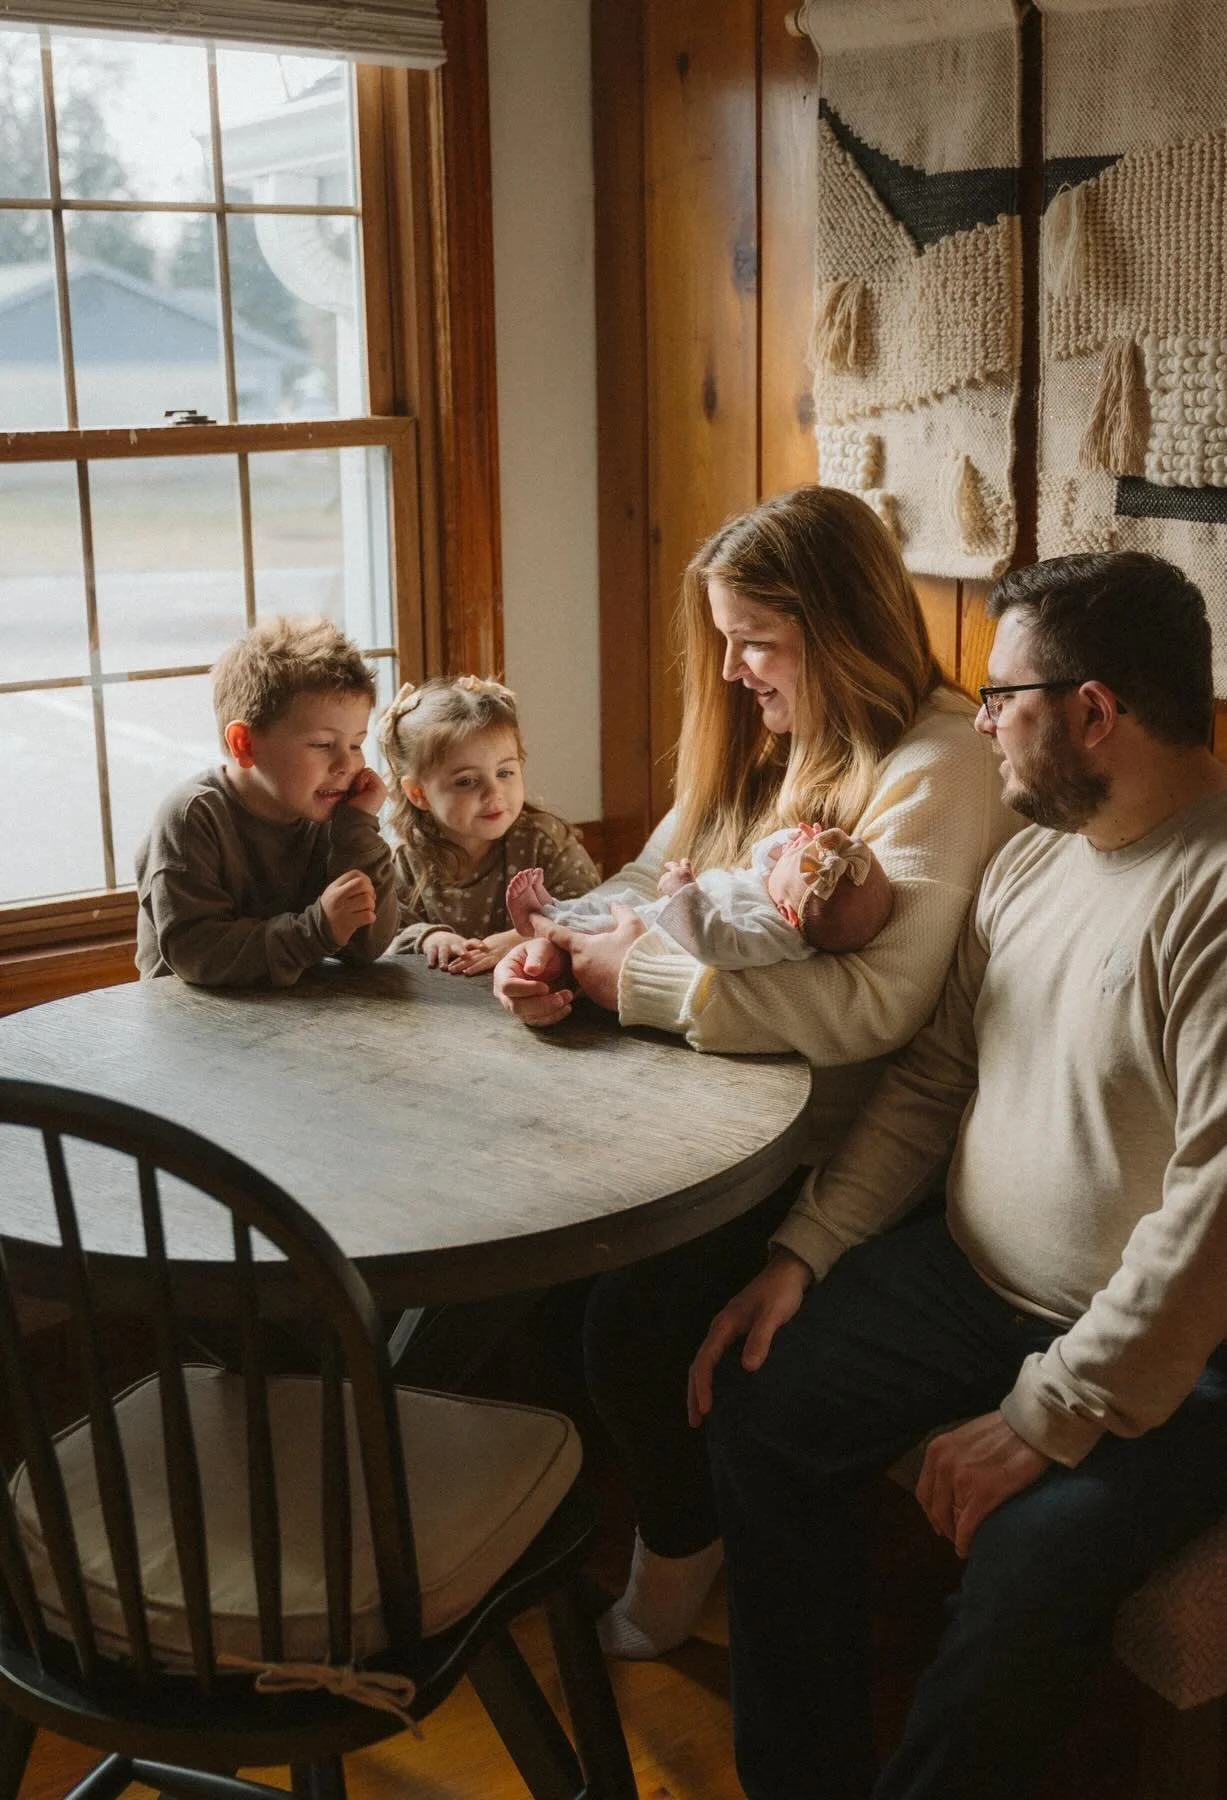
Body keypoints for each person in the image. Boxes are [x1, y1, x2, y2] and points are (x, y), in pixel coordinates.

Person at [689, 550, 1227, 1800]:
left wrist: (1048, 1411)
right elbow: (932, 1083)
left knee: (1027, 1556)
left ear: (1092, 712)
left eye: (1003, 693)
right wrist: (807, 1250)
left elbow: (1226, 1218)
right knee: (761, 1399)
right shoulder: (1033, 858)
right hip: (983, 1285)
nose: (982, 721)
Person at [491, 485, 1014, 1658]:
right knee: (532, 1264)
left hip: (826, 1149)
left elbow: (881, 1007)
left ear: (840, 632)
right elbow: (645, 878)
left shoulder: (937, 764)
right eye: (725, 641)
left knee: (628, 1319)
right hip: (690, 1111)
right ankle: (525, 1536)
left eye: (757, 644)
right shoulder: (761, 739)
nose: (732, 671)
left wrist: (642, 985)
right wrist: (554, 944)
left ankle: (681, 1552)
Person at [135, 615, 397, 987]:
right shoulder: (192, 816)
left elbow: (365, 947)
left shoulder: (331, 814)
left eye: (356, 744)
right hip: (194, 1027)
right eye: (323, 744)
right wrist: (315, 930)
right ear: (245, 744)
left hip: (293, 1023)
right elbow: (198, 953)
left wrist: (357, 829)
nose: (348, 764)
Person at [379, 675, 598, 973]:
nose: (493, 793)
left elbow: (592, 912)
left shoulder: (543, 841)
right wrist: (430, 937)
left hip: (541, 983)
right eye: (467, 781)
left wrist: (520, 938)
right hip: (446, 1006)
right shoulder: (405, 860)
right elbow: (386, 933)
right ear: (419, 794)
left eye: (505, 773)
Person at [506, 823, 894, 969]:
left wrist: (684, 892)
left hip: (654, 935)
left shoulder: (769, 934)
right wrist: (789, 846)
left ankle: (544, 919)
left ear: (789, 916)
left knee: (605, 921)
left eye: (795, 852)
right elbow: (764, 858)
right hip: (656, 911)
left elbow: (716, 945)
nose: (796, 842)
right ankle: (551, 906)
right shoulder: (785, 894)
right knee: (620, 896)